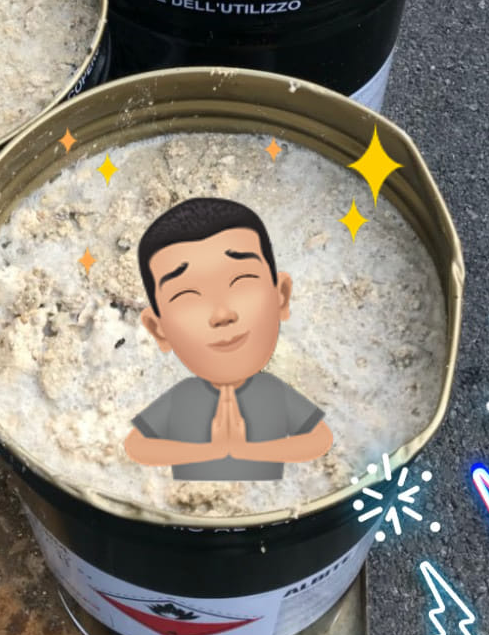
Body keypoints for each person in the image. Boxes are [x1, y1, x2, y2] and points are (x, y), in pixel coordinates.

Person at [124, 197, 333, 481]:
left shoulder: (272, 391)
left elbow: (319, 440)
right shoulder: (185, 396)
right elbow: (136, 446)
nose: (222, 314)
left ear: (281, 296)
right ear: (158, 329)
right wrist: (210, 452)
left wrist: (247, 451)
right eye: (187, 296)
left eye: (241, 281)